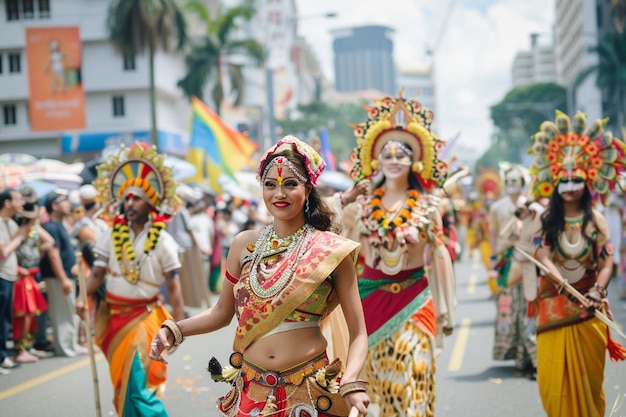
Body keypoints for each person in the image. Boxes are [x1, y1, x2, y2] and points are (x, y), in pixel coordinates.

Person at [150, 136, 370, 417]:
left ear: (308, 188)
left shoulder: (330, 250)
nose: (279, 194)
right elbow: (221, 312)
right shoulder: (243, 244)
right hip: (251, 391)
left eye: (290, 184)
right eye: (270, 185)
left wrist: (352, 381)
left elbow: (358, 332)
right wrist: (174, 330)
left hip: (308, 390)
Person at [341, 94, 456, 416]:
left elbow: (441, 252)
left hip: (416, 297)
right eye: (387, 154)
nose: (394, 159)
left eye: (401, 154)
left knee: (418, 374)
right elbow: (346, 256)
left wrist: (447, 309)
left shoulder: (429, 203)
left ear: (415, 160)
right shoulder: (361, 207)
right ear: (375, 160)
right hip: (372, 302)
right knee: (385, 387)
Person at [76, 142, 186, 417]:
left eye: (136, 198)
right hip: (113, 318)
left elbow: (174, 288)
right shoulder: (109, 235)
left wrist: (180, 328)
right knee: (122, 385)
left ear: (150, 203)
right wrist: (82, 296)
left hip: (145, 318)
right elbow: (97, 276)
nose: (130, 203)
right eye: (126, 199)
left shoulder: (163, 240)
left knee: (139, 387)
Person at [529, 111, 626, 416]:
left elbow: (607, 261)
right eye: (564, 180)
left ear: (589, 180)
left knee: (590, 384)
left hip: (589, 309)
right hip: (554, 309)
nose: (570, 186)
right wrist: (562, 284)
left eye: (577, 179)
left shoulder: (596, 219)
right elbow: (541, 256)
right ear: (553, 182)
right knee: (552, 389)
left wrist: (598, 290)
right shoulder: (546, 220)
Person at [486, 165, 537, 374]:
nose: (512, 185)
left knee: (528, 309)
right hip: (508, 264)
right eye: (509, 181)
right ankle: (514, 353)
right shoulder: (497, 208)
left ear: (523, 183)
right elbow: (493, 235)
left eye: (516, 181)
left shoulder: (531, 206)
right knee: (509, 308)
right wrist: (492, 262)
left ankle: (531, 356)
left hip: (529, 263)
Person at [39, 188, 85, 358]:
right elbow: (53, 255)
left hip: (65, 276)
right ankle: (65, 348)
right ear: (54, 205)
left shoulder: (59, 225)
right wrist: (64, 278)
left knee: (69, 311)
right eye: (63, 200)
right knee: (62, 314)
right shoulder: (51, 226)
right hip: (57, 277)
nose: (68, 204)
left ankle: (72, 345)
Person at [12, 187, 54, 363]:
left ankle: (28, 346)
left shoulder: (34, 229)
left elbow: (50, 242)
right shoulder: (16, 228)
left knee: (32, 313)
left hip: (32, 275)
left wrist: (38, 248)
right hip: (20, 276)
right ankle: (20, 348)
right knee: (23, 314)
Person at [0, 188, 27, 372]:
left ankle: (3, 357)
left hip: (9, 276)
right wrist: (20, 237)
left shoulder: (10, 223)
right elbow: (3, 252)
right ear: (7, 203)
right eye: (18, 200)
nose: (22, 204)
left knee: (5, 320)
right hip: (1, 276)